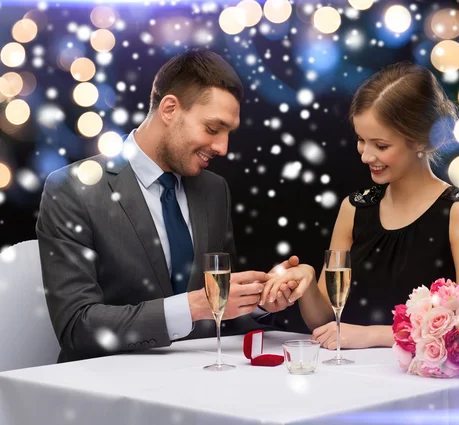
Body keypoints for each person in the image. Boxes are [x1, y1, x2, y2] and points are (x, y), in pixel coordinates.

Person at [36, 49, 295, 363]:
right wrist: (193, 305)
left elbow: (217, 314)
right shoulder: (72, 189)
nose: (223, 148)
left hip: (200, 381)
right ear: (170, 109)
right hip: (105, 389)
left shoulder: (214, 190)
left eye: (228, 134)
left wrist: (260, 301)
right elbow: (77, 328)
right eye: (213, 129)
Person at [261, 61, 459, 350]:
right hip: (352, 377)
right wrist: (306, 282)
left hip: (423, 383)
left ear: (420, 139)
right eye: (361, 141)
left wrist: (371, 336)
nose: (366, 156)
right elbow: (324, 321)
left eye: (380, 146)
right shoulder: (354, 208)